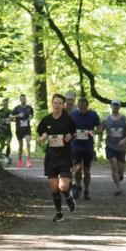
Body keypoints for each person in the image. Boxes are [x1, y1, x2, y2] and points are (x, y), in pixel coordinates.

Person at [36, 93, 77, 222]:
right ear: (52, 104)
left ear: (63, 105)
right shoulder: (46, 120)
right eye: (55, 103)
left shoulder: (68, 119)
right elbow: (40, 135)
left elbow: (74, 134)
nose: (57, 105)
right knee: (54, 187)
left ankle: (69, 198)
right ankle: (59, 213)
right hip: (51, 157)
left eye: (60, 103)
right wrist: (42, 138)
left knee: (63, 186)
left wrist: (70, 136)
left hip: (65, 156)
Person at [70, 96, 102, 200]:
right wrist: (72, 134)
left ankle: (87, 190)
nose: (82, 110)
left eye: (84, 108)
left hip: (88, 146)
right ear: (77, 106)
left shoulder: (93, 115)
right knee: (78, 169)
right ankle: (78, 186)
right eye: (80, 108)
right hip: (76, 146)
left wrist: (94, 132)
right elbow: (66, 127)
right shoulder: (73, 114)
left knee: (87, 170)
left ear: (87, 106)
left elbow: (100, 128)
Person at [103, 100, 126, 195]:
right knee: (114, 166)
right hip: (110, 146)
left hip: (121, 148)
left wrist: (123, 140)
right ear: (111, 106)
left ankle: (120, 175)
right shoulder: (106, 119)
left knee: (120, 170)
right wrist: (95, 135)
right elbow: (100, 130)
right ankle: (118, 188)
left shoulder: (124, 119)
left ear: (119, 107)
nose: (115, 107)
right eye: (114, 105)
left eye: (117, 105)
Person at [10, 94, 34, 167]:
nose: (23, 100)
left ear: (26, 99)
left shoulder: (29, 107)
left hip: (27, 128)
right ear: (20, 100)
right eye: (22, 99)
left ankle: (28, 161)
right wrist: (17, 116)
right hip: (19, 129)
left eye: (24, 98)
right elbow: (10, 116)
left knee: (28, 144)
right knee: (21, 146)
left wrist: (31, 118)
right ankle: (20, 161)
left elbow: (32, 114)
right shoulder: (17, 108)